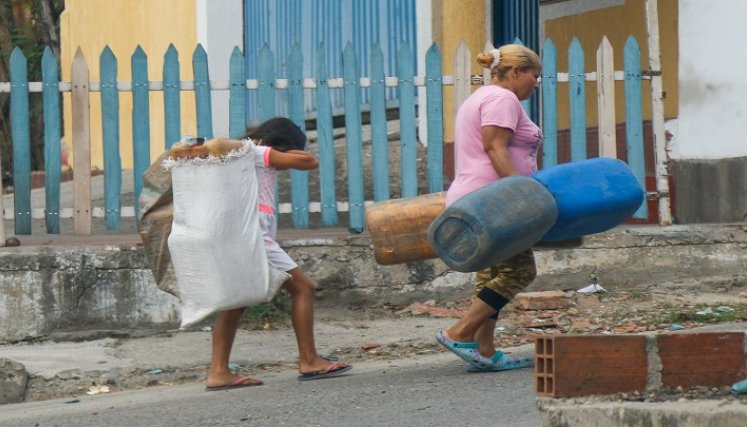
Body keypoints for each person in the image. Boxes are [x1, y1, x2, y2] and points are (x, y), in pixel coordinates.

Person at [206, 118, 352, 390]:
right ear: (282, 143)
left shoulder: (240, 154)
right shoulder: (257, 153)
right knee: (303, 289)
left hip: (238, 234)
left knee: (235, 304)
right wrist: (287, 152)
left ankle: (218, 371)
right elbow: (309, 162)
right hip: (255, 238)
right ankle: (309, 360)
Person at [435, 44, 543, 372]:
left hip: (477, 198)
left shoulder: (481, 97)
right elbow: (495, 148)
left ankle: (485, 350)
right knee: (519, 271)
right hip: (493, 201)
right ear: (515, 72)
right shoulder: (502, 99)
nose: (535, 84)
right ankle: (459, 332)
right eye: (533, 76)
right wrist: (520, 195)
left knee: (492, 273)